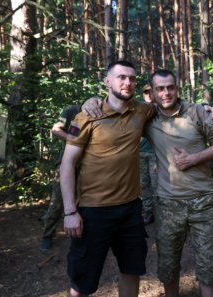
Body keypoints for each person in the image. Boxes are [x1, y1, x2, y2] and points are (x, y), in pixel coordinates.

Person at [60, 60, 154, 297]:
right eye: (121, 77)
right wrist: (70, 212)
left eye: (132, 78)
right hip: (93, 212)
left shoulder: (141, 111)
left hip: (131, 210)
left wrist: (204, 107)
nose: (128, 83)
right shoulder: (84, 117)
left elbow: (171, 105)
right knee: (83, 280)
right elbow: (67, 164)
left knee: (131, 270)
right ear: (107, 82)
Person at [146, 69, 213, 297]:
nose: (166, 93)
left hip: (203, 202)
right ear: (151, 92)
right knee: (168, 265)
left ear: (177, 88)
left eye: (170, 87)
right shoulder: (147, 116)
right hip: (168, 204)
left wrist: (193, 159)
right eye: (160, 89)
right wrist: (93, 101)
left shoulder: (198, 112)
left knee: (209, 267)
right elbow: (119, 111)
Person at [40, 104, 81, 251]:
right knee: (58, 200)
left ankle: (78, 234)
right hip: (66, 163)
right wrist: (73, 139)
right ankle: (47, 235)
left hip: (88, 166)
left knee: (83, 201)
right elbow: (56, 130)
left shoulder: (102, 113)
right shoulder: (73, 110)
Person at [139, 83, 158, 225]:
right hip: (139, 153)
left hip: (155, 153)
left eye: (151, 92)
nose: (148, 95)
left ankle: (160, 213)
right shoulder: (138, 109)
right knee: (143, 184)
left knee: (157, 183)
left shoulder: (161, 109)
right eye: (146, 92)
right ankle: (148, 211)